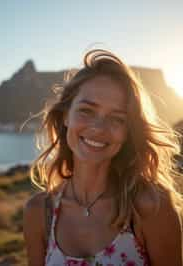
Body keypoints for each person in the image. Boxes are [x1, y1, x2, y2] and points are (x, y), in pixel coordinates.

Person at [23, 49, 183, 266]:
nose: (98, 128)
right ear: (65, 116)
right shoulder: (39, 212)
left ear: (128, 132)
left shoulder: (150, 207)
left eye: (117, 119)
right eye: (87, 111)